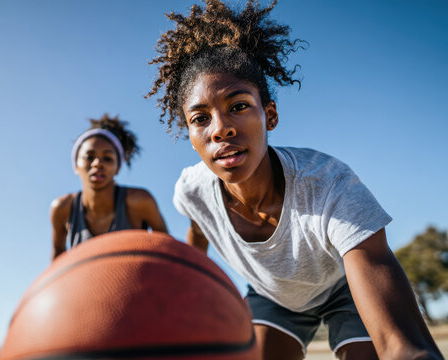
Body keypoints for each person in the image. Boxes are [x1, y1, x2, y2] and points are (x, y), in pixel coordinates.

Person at [147, 1, 443, 359]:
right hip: (273, 296)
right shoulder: (192, 190)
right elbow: (197, 235)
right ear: (191, 137)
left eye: (238, 106)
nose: (221, 128)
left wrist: (410, 353)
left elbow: (403, 344)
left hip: (344, 287)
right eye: (200, 118)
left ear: (269, 115)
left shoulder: (327, 185)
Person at [50, 114, 168, 260]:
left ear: (117, 168)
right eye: (89, 156)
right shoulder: (62, 209)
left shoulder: (139, 201)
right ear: (76, 165)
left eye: (107, 158)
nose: (97, 163)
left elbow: (169, 250)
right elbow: (57, 259)